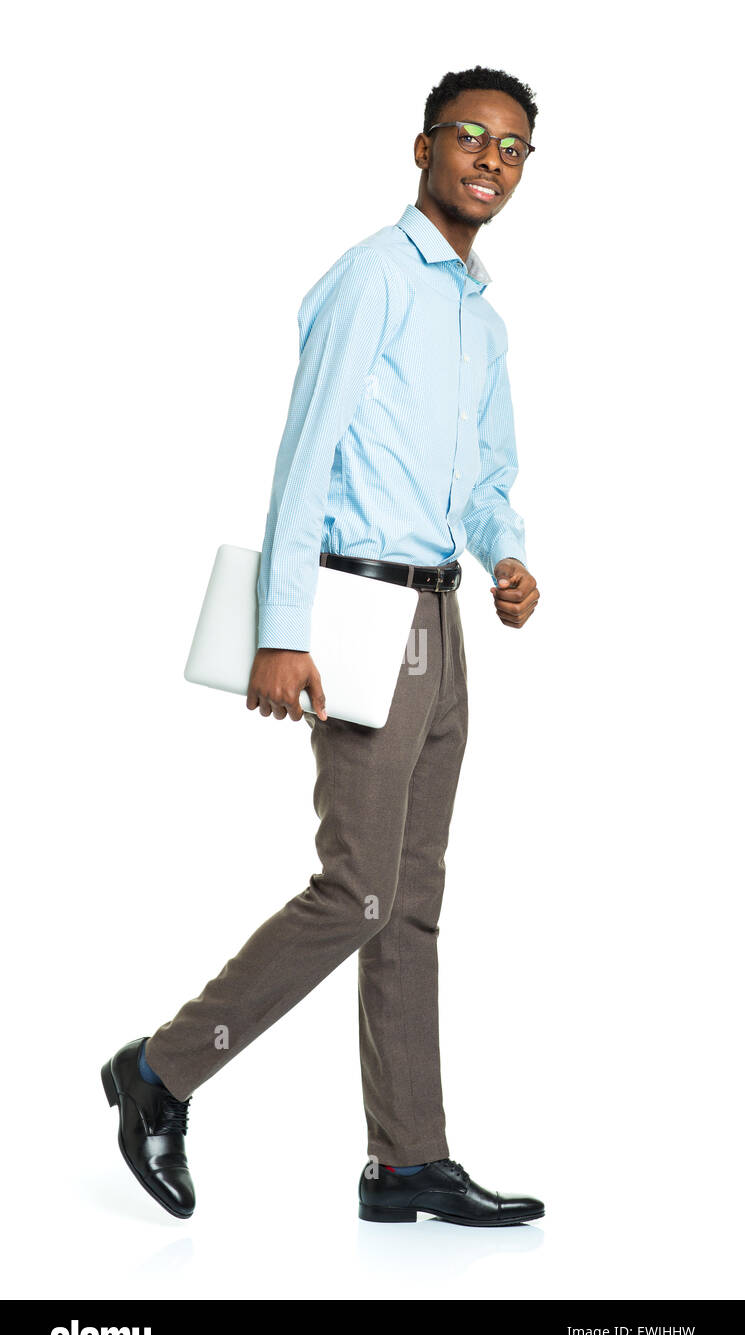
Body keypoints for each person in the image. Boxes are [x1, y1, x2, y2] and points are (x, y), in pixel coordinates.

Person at [102, 64, 544, 1228]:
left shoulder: (478, 319)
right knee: (356, 892)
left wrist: (504, 553)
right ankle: (160, 1069)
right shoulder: (370, 282)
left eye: (511, 149)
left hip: (440, 618)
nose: (489, 161)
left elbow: (487, 477)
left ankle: (408, 1158)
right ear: (422, 149)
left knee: (412, 900)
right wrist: (280, 632)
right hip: (358, 614)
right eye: (469, 137)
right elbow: (306, 457)